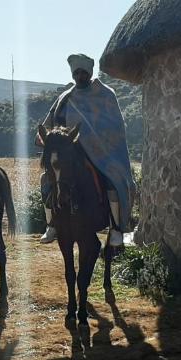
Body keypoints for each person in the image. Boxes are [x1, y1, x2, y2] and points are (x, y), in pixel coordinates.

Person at [37, 54, 136, 247]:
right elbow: (51, 123)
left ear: (89, 73)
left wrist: (95, 142)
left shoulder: (106, 94)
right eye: (76, 73)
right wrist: (53, 140)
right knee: (46, 179)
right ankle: (52, 225)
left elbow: (115, 126)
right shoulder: (65, 97)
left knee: (113, 181)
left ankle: (116, 228)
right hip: (70, 153)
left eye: (83, 73)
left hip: (102, 154)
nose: (79, 76)